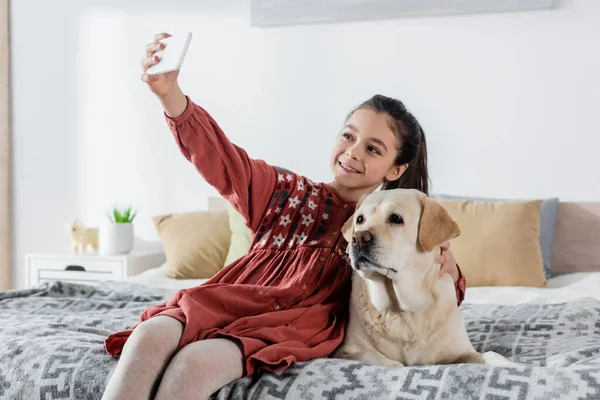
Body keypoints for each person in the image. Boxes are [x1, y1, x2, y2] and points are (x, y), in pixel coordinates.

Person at [101, 32, 466, 400]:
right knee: (148, 335)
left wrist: (449, 269)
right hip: (229, 299)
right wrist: (170, 95)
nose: (353, 153)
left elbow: (432, 286)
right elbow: (224, 161)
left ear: (395, 169)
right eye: (348, 135)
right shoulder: (287, 193)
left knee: (193, 364)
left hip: (285, 327)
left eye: (373, 149)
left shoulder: (395, 229)